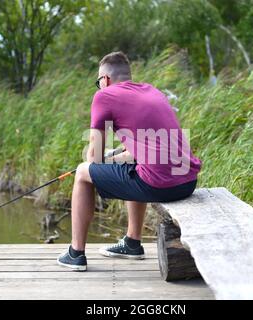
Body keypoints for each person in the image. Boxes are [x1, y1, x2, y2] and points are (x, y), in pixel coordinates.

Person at [57, 51, 201, 271]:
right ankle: (132, 243)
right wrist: (115, 157)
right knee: (136, 166)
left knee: (82, 172)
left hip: (161, 186)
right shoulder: (151, 91)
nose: (99, 87)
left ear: (105, 80)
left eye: (99, 82)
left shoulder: (104, 96)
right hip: (187, 182)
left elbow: (93, 159)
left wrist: (101, 160)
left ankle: (75, 253)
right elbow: (142, 152)